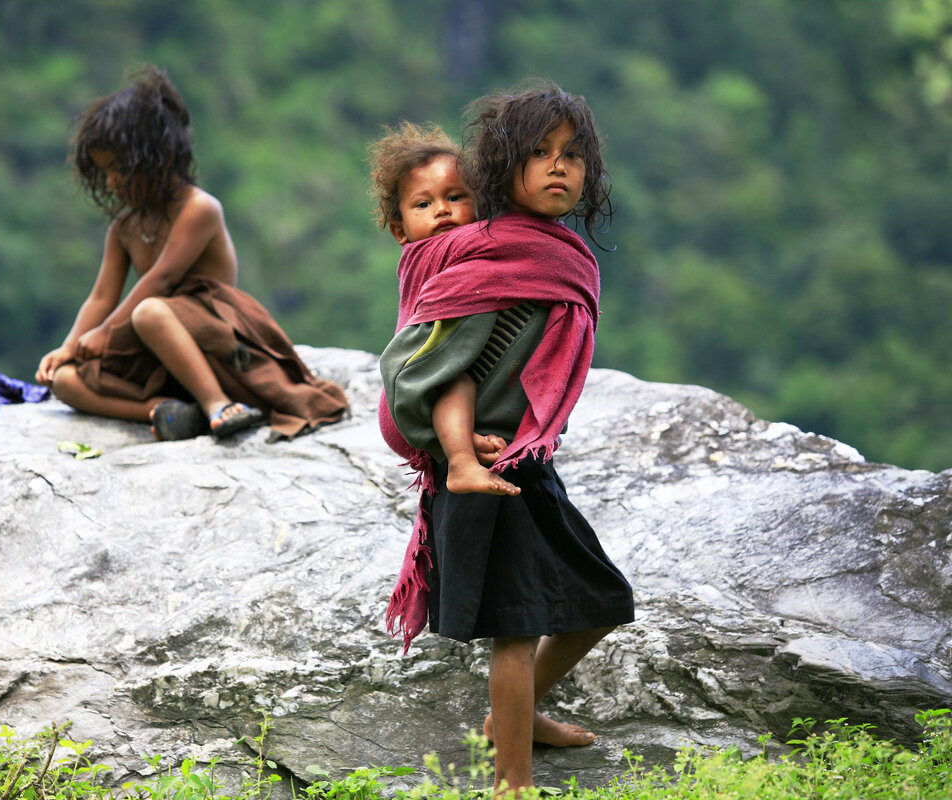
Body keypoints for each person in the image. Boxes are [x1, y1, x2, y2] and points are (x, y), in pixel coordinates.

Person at [378, 82, 634, 796]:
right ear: (502, 171)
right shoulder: (489, 258)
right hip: (480, 472)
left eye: (572, 154)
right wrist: (459, 452)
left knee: (601, 599)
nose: (560, 167)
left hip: (525, 463)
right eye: (540, 155)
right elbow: (433, 367)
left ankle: (510, 721)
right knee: (516, 633)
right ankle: (512, 782)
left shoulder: (551, 250)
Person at [36, 66, 347, 440]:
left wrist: (104, 335)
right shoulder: (124, 229)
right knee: (65, 381)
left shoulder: (199, 209)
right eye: (104, 173)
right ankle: (167, 412)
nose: (111, 183)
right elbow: (101, 297)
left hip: (215, 346)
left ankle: (218, 404)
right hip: (158, 356)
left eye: (119, 169)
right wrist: (68, 347)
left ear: (155, 159)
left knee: (150, 311)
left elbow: (162, 279)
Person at [367, 122, 518, 496]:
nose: (441, 211)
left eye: (455, 197)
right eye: (423, 203)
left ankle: (463, 441)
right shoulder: (430, 253)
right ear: (400, 231)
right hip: (417, 393)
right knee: (453, 373)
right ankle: (462, 461)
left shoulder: (458, 247)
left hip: (417, 404)